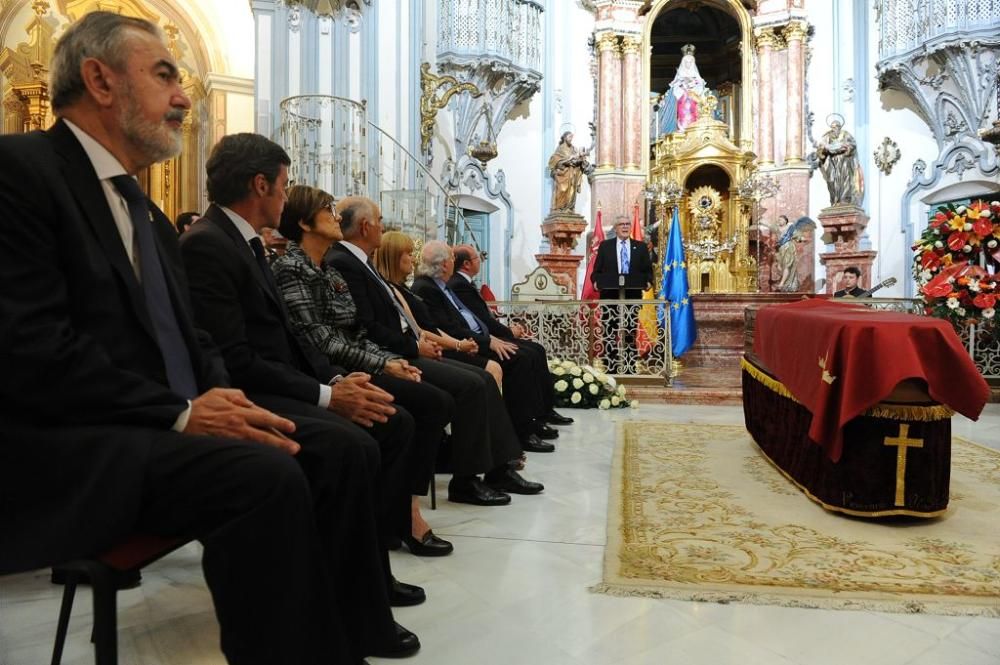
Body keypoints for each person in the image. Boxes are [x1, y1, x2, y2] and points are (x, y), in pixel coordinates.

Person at [0, 11, 383, 664]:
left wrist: (230, 399)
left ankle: (347, 630)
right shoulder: (21, 173)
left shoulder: (142, 206)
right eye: (164, 75)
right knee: (263, 476)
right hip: (68, 444)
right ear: (100, 79)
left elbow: (193, 337)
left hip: (154, 428)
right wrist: (181, 413)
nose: (184, 96)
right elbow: (33, 351)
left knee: (330, 445)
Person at [178, 134, 424, 657]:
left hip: (278, 381)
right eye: (284, 186)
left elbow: (290, 339)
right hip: (247, 393)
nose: (287, 199)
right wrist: (326, 398)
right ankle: (353, 614)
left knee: (392, 421)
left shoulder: (241, 240)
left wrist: (336, 383)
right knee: (350, 446)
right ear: (259, 185)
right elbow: (236, 359)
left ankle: (367, 586)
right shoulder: (207, 244)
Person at [325, 197, 545, 502]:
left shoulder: (358, 262)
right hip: (388, 356)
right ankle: (466, 481)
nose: (382, 226)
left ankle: (498, 469)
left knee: (481, 379)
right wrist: (416, 345)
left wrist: (422, 343)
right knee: (472, 384)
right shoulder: (344, 262)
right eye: (379, 220)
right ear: (365, 226)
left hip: (404, 349)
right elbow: (366, 325)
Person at [409, 240, 560, 449]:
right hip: (458, 346)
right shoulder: (427, 288)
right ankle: (521, 431)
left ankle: (532, 421)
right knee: (518, 359)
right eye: (452, 258)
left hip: (471, 340)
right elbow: (447, 329)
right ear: (444, 264)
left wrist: (490, 338)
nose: (454, 262)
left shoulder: (440, 285)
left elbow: (465, 318)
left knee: (527, 352)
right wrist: (486, 341)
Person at [450, 244, 573, 427]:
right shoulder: (459, 284)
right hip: (477, 341)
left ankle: (544, 411)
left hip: (486, 336)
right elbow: (482, 319)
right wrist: (509, 333)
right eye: (478, 258)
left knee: (537, 350)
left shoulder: (463, 283)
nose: (481, 261)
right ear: (467, 264)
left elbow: (481, 318)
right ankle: (527, 422)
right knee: (523, 357)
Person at [590, 216, 654, 374]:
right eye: (621, 224)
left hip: (632, 296)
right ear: (616, 228)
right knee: (610, 331)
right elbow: (596, 272)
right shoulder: (605, 246)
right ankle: (610, 367)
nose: (625, 227)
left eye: (627, 224)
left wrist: (648, 282)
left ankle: (629, 367)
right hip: (610, 297)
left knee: (630, 332)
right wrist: (596, 282)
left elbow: (648, 272)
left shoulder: (640, 247)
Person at [816, 116, 865, 208]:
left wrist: (846, 148)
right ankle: (835, 200)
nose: (835, 129)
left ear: (840, 127)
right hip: (832, 162)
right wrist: (824, 150)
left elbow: (853, 144)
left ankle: (845, 200)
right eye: (833, 127)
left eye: (837, 126)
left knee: (845, 179)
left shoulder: (846, 134)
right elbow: (820, 149)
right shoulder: (827, 136)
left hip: (844, 161)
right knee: (833, 181)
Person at [547, 131, 589, 213]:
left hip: (573, 172)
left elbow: (578, 159)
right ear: (565, 137)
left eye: (572, 137)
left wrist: (580, 158)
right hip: (563, 173)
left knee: (572, 191)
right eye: (569, 137)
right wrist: (567, 160)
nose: (571, 139)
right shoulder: (560, 148)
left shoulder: (573, 148)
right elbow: (554, 160)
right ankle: (558, 208)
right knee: (562, 190)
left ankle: (569, 208)